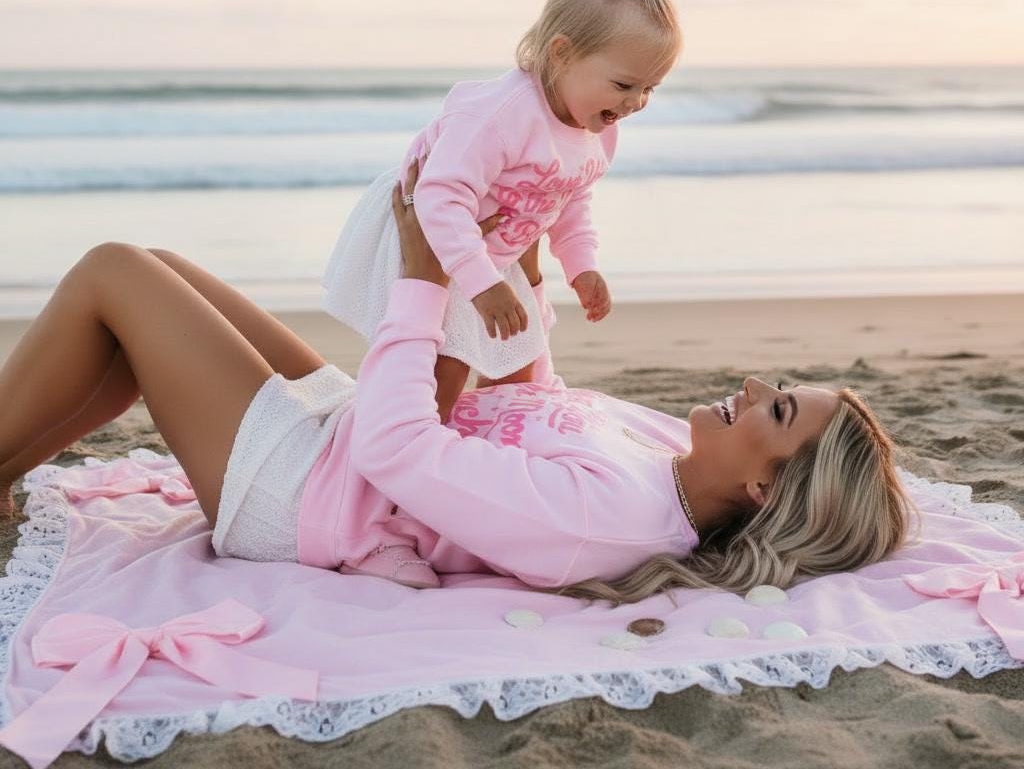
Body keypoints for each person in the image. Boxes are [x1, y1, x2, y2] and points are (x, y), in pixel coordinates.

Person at [0, 159, 915, 604]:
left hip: (310, 494)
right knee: (156, 271)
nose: (751, 384)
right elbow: (536, 405)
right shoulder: (668, 454)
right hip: (348, 441)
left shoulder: (605, 520)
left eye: (777, 408)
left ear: (765, 490)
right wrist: (520, 276)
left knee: (114, 272)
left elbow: (400, 451)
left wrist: (424, 278)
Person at [322, 0, 683, 427]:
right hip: (433, 235)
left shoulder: (597, 130)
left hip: (495, 251)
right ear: (561, 53)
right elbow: (440, 196)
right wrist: (480, 284)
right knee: (445, 368)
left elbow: (570, 199)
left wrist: (582, 266)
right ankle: (404, 443)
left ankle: (487, 444)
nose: (635, 102)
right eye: (624, 84)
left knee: (516, 364)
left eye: (650, 89)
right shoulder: (500, 117)